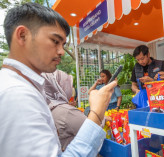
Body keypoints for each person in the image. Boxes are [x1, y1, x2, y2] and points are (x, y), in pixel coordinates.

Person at [0, 3, 117, 157]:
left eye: (63, 44)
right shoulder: (17, 95)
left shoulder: (20, 87)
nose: (62, 51)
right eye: (55, 41)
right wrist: (97, 112)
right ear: (22, 35)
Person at [42, 70, 87, 151]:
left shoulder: (44, 108)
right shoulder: (66, 112)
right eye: (68, 85)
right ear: (59, 87)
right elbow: (93, 130)